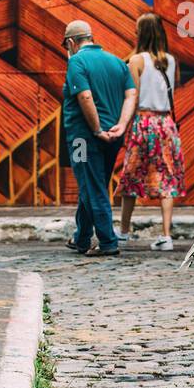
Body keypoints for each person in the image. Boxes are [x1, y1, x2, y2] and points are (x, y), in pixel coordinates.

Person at [61, 20, 136, 257]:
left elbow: (85, 97)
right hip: (113, 137)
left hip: (83, 138)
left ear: (71, 42)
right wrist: (122, 125)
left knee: (91, 185)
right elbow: (131, 94)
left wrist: (95, 129)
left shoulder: (76, 62)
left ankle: (107, 241)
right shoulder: (116, 62)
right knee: (93, 183)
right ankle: (81, 237)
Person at [116, 13, 187, 251]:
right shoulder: (171, 60)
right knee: (167, 177)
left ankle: (124, 232)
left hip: (144, 124)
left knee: (131, 176)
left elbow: (132, 96)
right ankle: (166, 235)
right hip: (166, 125)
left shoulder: (136, 60)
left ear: (141, 33)